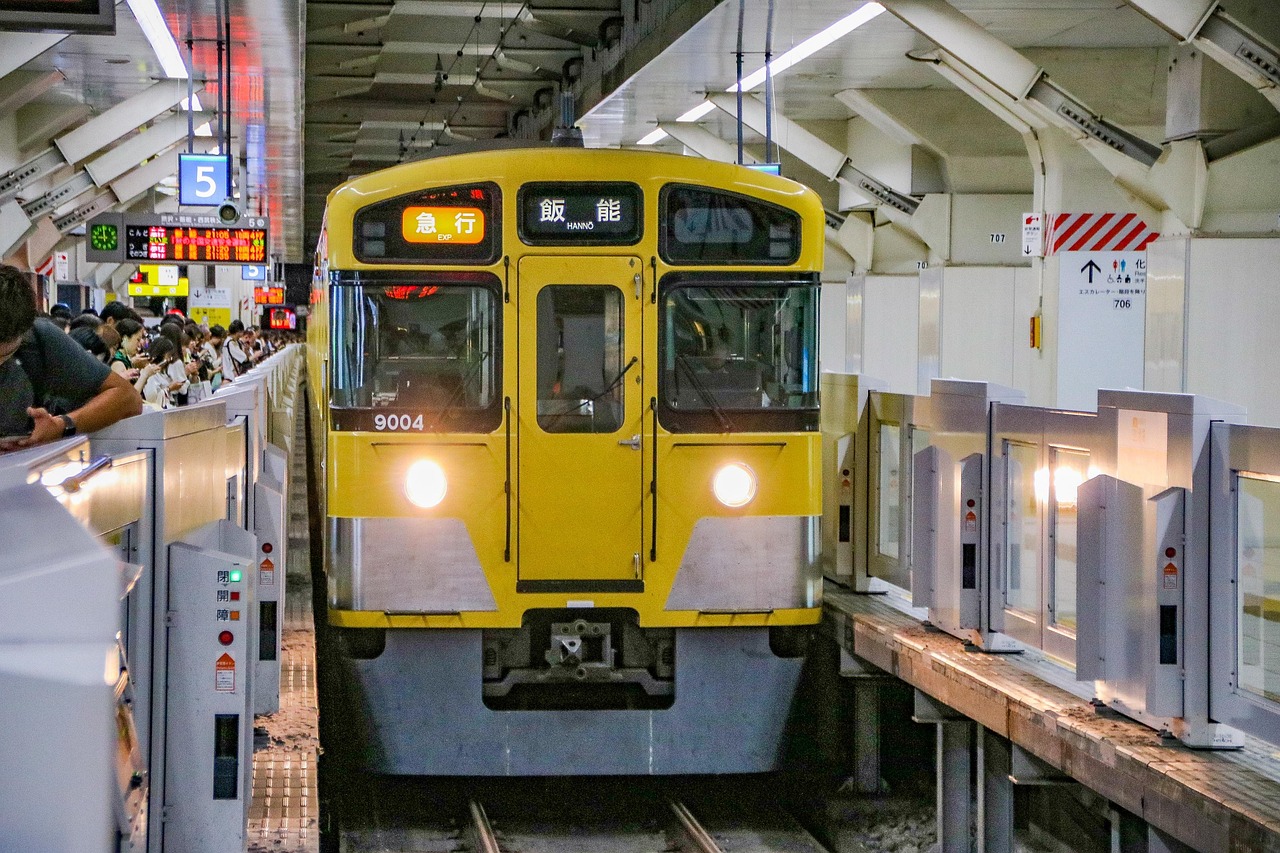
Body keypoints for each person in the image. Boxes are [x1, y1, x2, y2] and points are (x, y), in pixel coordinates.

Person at [0, 265, 142, 450]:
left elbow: (127, 399)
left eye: (4, 356)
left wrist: (61, 425)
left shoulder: (40, 340)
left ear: (24, 331)